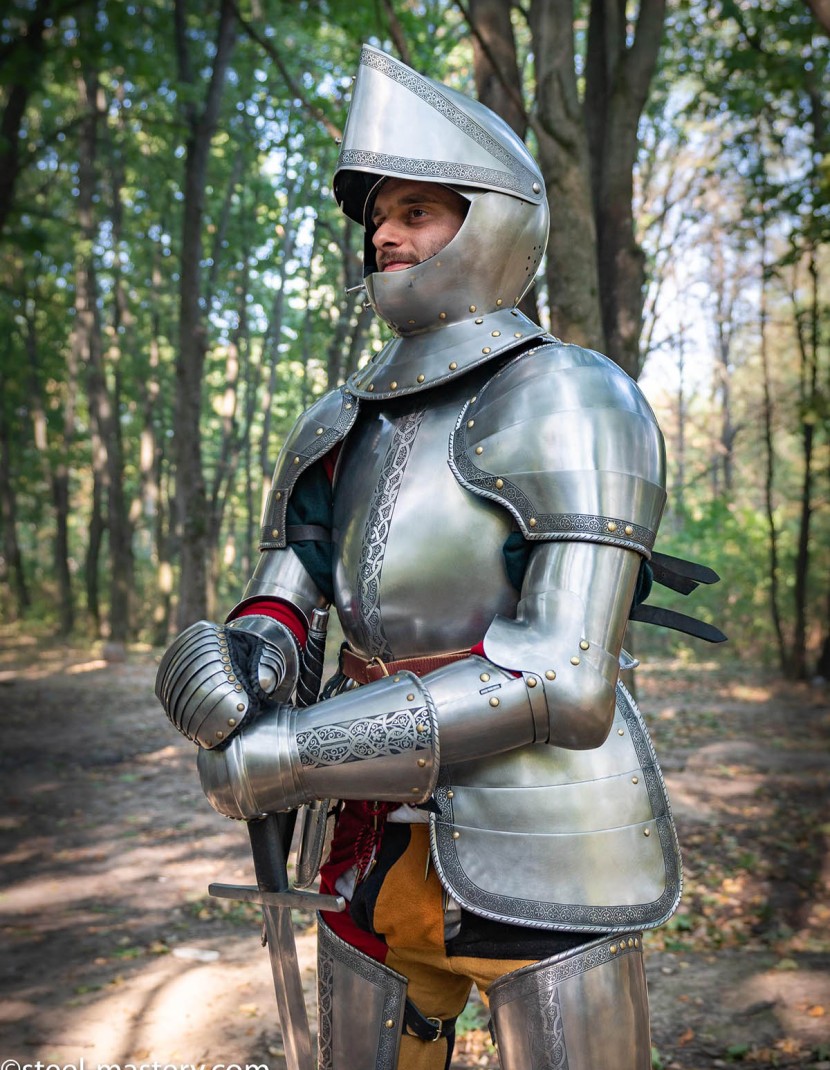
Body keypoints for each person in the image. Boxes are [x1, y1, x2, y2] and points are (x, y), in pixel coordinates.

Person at [156, 44, 692, 1070]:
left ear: (487, 218)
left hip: (546, 837)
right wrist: (236, 671)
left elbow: (561, 681)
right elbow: (290, 587)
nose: (385, 236)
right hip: (365, 845)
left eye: (415, 210)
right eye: (376, 218)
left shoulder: (571, 395)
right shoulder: (336, 417)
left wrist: (288, 751)